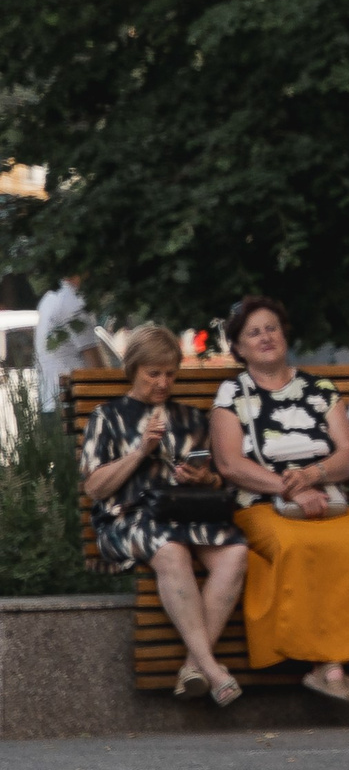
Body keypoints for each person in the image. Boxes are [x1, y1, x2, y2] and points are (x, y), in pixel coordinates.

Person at [208, 296, 349, 701]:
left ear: (284, 334)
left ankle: (329, 664)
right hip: (262, 503)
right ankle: (326, 664)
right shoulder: (232, 393)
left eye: (271, 328)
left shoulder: (320, 389)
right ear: (239, 348)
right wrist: (289, 487)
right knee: (296, 544)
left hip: (328, 496)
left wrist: (312, 476)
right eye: (253, 332)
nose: (265, 337)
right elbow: (229, 464)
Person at [81, 324, 248, 705]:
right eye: (153, 373)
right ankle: (213, 667)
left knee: (235, 551)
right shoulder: (107, 417)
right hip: (125, 519)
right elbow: (94, 487)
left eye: (170, 374)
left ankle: (193, 665)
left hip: (184, 513)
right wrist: (140, 453)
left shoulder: (189, 418)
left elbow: (217, 479)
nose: (163, 382)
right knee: (170, 549)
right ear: (134, 369)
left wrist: (202, 477)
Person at [36, 273, 104, 414]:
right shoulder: (73, 303)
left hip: (49, 402)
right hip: (74, 405)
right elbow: (96, 367)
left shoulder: (49, 299)